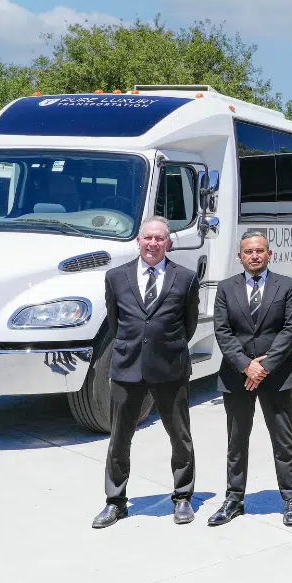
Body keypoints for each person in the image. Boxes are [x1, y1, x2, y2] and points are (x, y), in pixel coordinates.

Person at [90, 216, 200, 529]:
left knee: (180, 436)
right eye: (148, 238)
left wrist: (164, 347)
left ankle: (182, 497)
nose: (153, 244)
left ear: (168, 243)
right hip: (128, 368)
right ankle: (115, 501)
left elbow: (188, 325)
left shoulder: (186, 278)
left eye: (160, 239)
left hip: (170, 368)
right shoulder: (116, 277)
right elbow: (116, 322)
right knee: (119, 439)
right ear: (139, 241)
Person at [211, 230, 292, 527]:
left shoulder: (286, 286)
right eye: (248, 251)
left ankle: (290, 499)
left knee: (283, 440)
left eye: (260, 250)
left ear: (269, 254)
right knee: (236, 441)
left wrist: (263, 368)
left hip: (276, 377)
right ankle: (234, 499)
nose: (254, 256)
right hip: (237, 378)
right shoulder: (225, 288)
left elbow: (290, 329)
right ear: (240, 257)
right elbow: (223, 331)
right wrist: (245, 366)